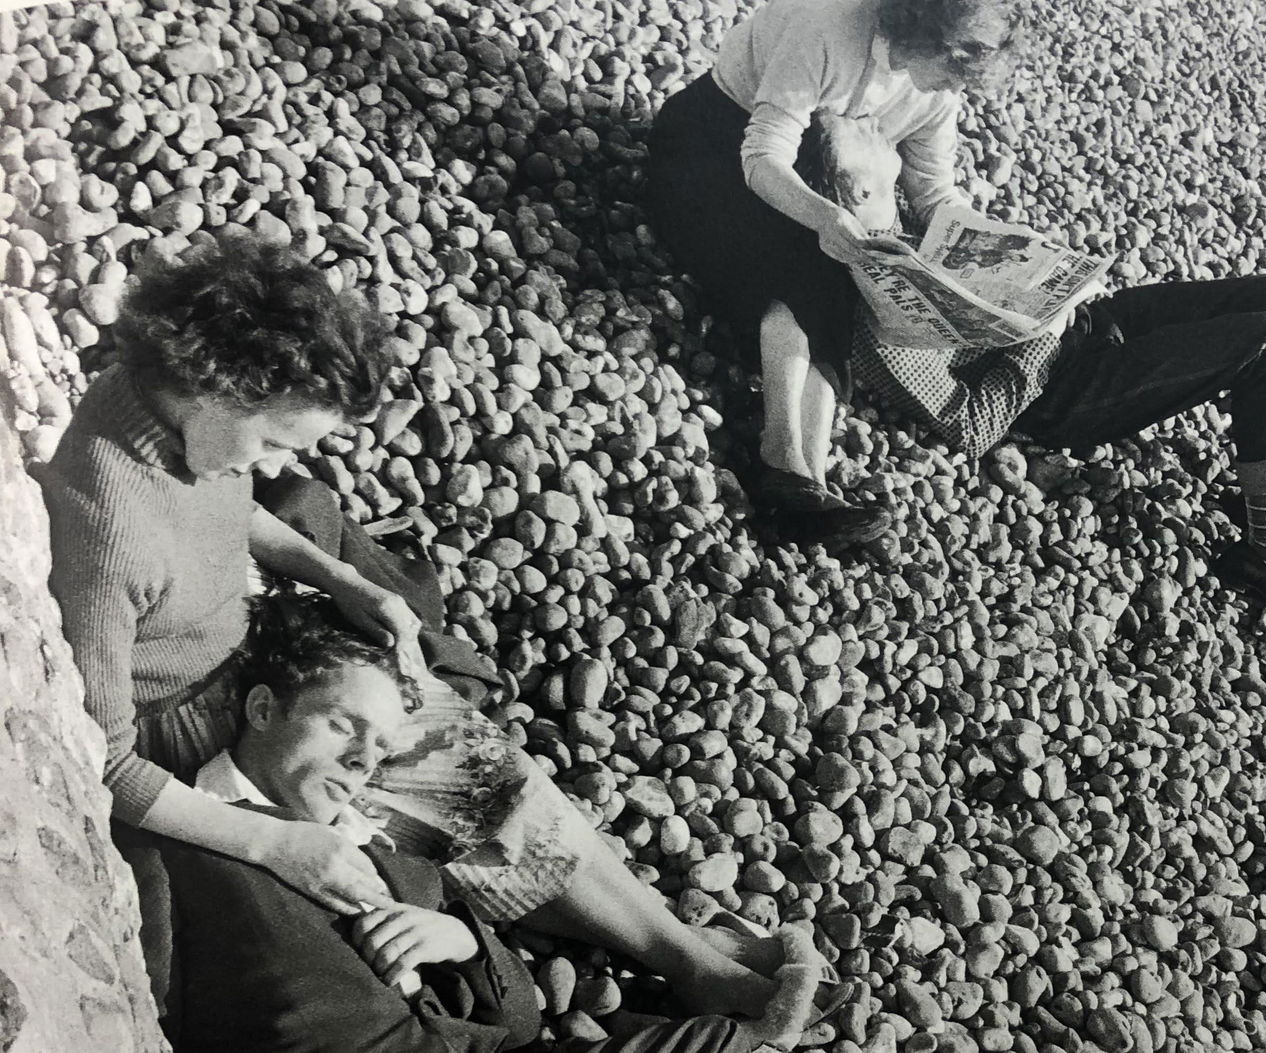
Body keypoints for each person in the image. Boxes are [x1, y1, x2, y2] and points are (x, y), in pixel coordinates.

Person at [36, 232, 814, 1020]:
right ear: (217, 383)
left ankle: (677, 946)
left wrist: (340, 577)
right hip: (197, 730)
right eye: (274, 440)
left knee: (468, 762)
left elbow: (223, 513)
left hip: (247, 656)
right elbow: (106, 763)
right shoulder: (107, 526)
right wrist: (271, 842)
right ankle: (677, 956)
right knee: (421, 805)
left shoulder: (167, 409)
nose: (274, 468)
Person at [158, 594, 820, 1053]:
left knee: (476, 790)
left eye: (372, 748)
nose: (361, 758)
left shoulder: (388, 855)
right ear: (264, 709)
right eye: (345, 732)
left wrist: (463, 942)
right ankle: (687, 957)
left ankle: (684, 952)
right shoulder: (202, 851)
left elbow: (520, 1017)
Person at [814, 118, 1266, 618]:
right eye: (854, 127)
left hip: (1090, 322)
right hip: (1061, 391)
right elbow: (972, 425)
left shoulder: (909, 223)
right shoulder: (873, 312)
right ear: (857, 192)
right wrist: (1042, 336)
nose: (870, 121)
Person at [648, 0, 1022, 547]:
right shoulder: (828, 25)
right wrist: (827, 218)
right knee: (802, 259)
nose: (952, 89)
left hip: (813, 168)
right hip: (712, 144)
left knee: (841, 272)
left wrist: (997, 255)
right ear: (923, 33)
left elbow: (934, 190)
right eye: (950, 70)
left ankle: (808, 482)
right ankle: (782, 458)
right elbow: (762, 153)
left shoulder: (938, 89)